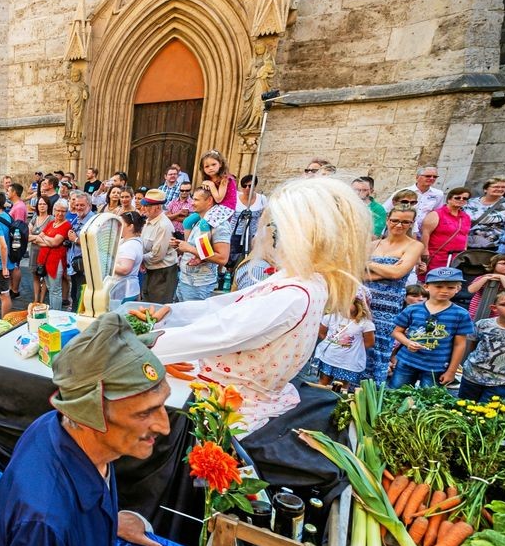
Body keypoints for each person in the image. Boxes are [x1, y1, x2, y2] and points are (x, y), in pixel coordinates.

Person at [0, 313, 168, 546]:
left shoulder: (61, 431)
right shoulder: (45, 524)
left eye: (161, 406)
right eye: (145, 412)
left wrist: (104, 521)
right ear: (89, 415)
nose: (164, 426)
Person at [150, 177, 369, 432]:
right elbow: (227, 306)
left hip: (228, 413)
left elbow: (222, 332)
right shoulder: (302, 279)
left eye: (273, 227)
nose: (264, 234)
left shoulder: (294, 294)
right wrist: (170, 314)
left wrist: (137, 344)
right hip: (230, 397)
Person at [364, 204, 424, 384]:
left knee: (379, 345)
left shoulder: (415, 245)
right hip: (365, 301)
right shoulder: (373, 244)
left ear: (411, 224)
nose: (399, 225)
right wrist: (388, 270)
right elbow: (357, 273)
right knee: (358, 341)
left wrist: (368, 264)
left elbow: (398, 274)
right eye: (395, 220)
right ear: (387, 220)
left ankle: (369, 389)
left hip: (389, 304)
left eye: (405, 222)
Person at [390, 267, 474, 388]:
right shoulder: (413, 309)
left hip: (436, 366)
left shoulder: (461, 314)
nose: (444, 291)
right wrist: (407, 342)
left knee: (428, 399)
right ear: (426, 286)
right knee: (396, 394)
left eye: (450, 287)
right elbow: (396, 331)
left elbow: (459, 345)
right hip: (407, 361)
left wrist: (451, 371)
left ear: (458, 288)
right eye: (439, 286)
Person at [173, 187, 231, 301]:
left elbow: (222, 258)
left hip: (199, 285)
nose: (192, 203)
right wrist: (179, 246)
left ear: (209, 201)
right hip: (185, 279)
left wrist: (189, 249)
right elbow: (202, 250)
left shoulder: (220, 225)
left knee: (192, 318)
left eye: (196, 200)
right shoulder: (200, 220)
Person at [315, 295, 376, 391]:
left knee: (341, 389)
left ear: (358, 305)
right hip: (329, 358)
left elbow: (369, 343)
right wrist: (334, 342)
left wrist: (353, 348)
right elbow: (322, 333)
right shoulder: (330, 317)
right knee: (322, 384)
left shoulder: (365, 324)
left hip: (348, 363)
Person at [418, 187, 473, 274]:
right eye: (457, 197)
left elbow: (465, 234)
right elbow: (425, 233)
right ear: (449, 198)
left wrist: (464, 250)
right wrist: (425, 250)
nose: (461, 200)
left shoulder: (466, 217)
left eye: (465, 198)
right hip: (436, 256)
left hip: (457, 259)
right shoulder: (436, 214)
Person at [138, 189, 178, 304]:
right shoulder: (148, 220)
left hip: (162, 272)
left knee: (157, 307)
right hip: (150, 269)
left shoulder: (163, 225)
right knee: (147, 303)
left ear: (158, 207)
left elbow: (157, 255)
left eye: (147, 206)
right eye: (143, 205)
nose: (144, 208)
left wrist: (139, 258)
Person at [464, 176, 505, 253]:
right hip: (466, 242)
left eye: (503, 187)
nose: (500, 189)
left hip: (492, 245)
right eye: (496, 186)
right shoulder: (470, 202)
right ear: (485, 189)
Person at [467, 253, 505, 319]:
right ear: (494, 264)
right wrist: (484, 279)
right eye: (504, 263)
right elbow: (471, 290)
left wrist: (502, 277)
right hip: (478, 309)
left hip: (500, 311)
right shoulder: (483, 277)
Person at [111, 211, 147, 303]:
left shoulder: (130, 245)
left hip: (124, 290)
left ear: (130, 226)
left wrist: (106, 264)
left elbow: (125, 269)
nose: (118, 226)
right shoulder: (126, 241)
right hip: (125, 289)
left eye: (121, 224)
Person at [26, 197, 54, 306]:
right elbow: (27, 236)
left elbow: (49, 236)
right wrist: (38, 238)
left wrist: (34, 237)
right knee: (35, 276)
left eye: (44, 204)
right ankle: (36, 299)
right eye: (40, 204)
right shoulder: (34, 218)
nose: (42, 206)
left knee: (45, 276)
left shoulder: (51, 219)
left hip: (45, 251)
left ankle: (42, 300)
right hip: (34, 251)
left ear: (48, 206)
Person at [199, 150, 237, 224]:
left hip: (226, 207)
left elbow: (219, 199)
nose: (210, 168)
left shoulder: (225, 178)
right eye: (207, 166)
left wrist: (211, 184)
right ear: (203, 169)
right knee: (188, 221)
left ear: (220, 164)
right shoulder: (209, 179)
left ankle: (205, 236)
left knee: (204, 223)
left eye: (214, 164)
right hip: (213, 206)